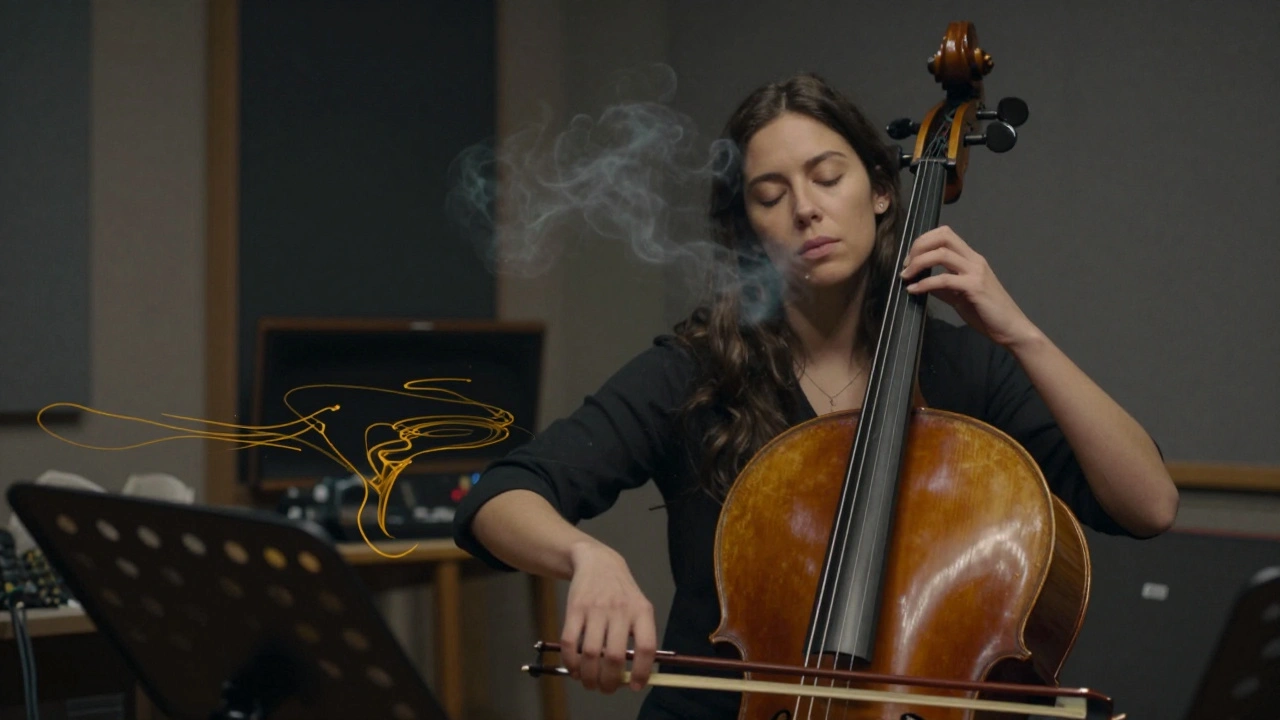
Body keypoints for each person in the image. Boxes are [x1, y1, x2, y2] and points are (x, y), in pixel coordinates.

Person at [452, 72, 1179, 719]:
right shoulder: (698, 372)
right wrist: (588, 557)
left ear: (883, 188)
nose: (805, 209)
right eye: (771, 195)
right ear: (750, 230)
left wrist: (1021, 334)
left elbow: (1147, 506)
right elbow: (502, 493)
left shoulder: (962, 371)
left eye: (828, 177)